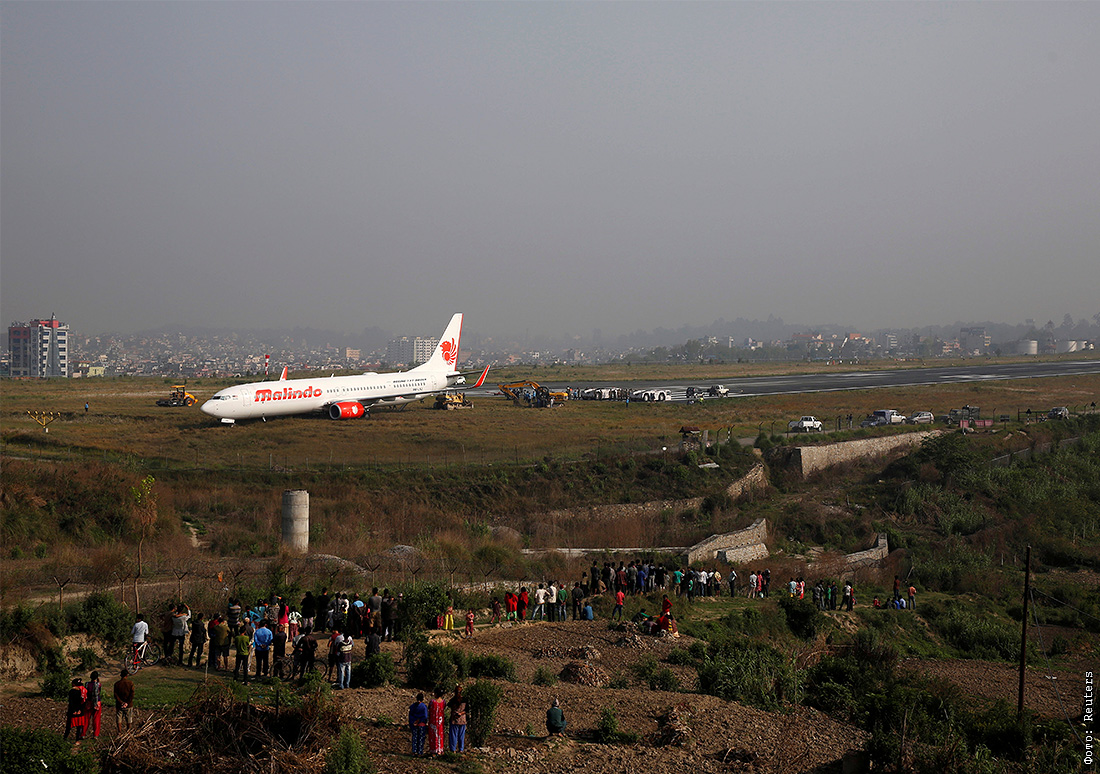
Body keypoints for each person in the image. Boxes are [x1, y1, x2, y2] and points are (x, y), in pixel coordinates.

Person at [113, 668, 134, 734]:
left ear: (121, 675)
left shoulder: (117, 684)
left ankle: (119, 732)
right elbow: (132, 694)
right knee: (129, 719)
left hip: (119, 705)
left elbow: (115, 695)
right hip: (129, 705)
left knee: (119, 719)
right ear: (127, 675)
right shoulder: (130, 683)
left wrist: (121, 702)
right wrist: (127, 703)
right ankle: (128, 732)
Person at [447, 686, 467, 752]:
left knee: (453, 735)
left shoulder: (453, 700)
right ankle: (461, 749)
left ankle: (453, 749)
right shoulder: (465, 700)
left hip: (454, 720)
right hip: (462, 720)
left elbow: (448, 705)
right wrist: (461, 713)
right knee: (461, 736)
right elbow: (467, 710)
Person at [427, 688, 446, 756]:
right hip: (440, 721)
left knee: (433, 735)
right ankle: (440, 750)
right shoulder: (443, 702)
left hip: (433, 721)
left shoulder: (432, 702)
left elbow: (429, 708)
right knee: (440, 735)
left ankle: (434, 750)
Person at [84, 671, 103, 738]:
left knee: (86, 718)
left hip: (88, 702)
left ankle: (83, 733)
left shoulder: (87, 684)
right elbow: (99, 691)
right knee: (96, 719)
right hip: (97, 702)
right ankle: (95, 734)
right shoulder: (98, 684)